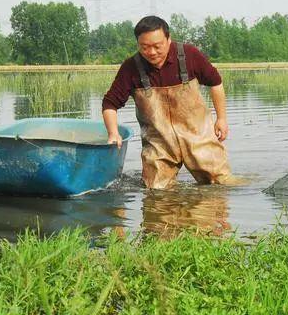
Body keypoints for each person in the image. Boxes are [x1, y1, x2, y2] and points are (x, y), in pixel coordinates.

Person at [102, 15, 239, 189]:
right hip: (159, 144)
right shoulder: (131, 68)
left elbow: (216, 82)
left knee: (220, 186)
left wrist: (221, 119)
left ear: (168, 39)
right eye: (144, 47)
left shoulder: (189, 55)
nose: (151, 52)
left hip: (198, 136)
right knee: (156, 193)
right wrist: (113, 133)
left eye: (157, 46)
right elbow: (109, 104)